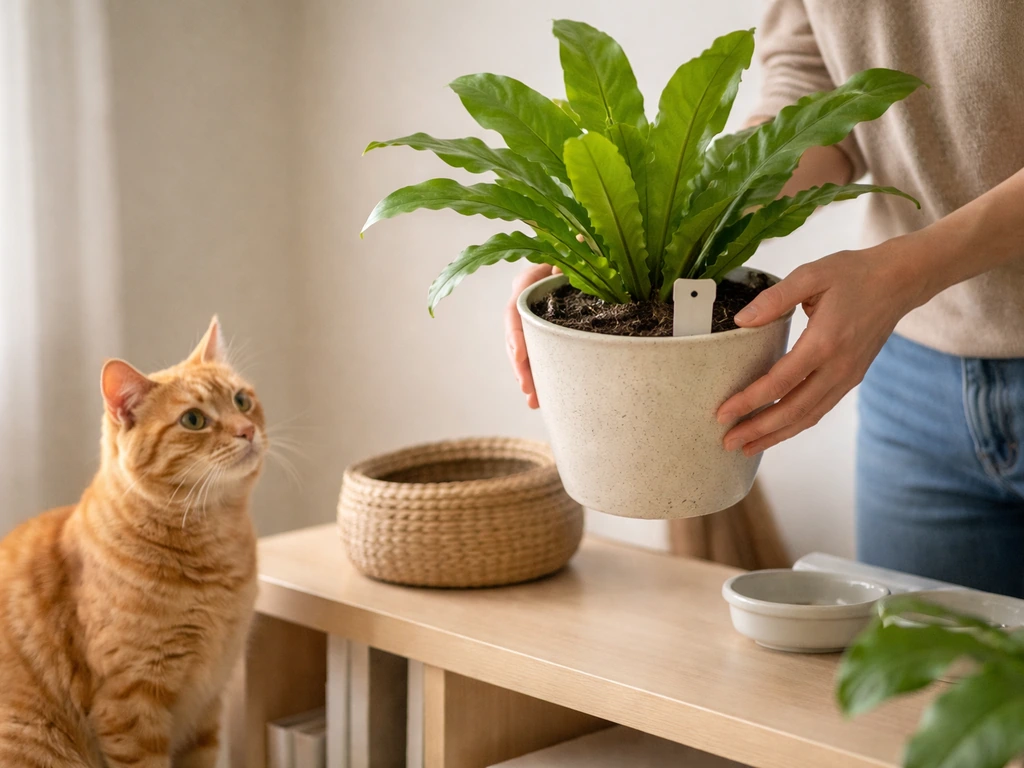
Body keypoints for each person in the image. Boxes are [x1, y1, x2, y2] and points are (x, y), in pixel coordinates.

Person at [505, 1, 1024, 598]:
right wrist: (648, 220)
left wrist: (906, 272)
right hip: (914, 371)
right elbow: (815, 87)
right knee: (924, 679)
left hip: (900, 305)